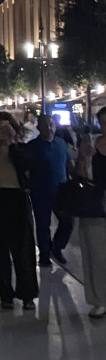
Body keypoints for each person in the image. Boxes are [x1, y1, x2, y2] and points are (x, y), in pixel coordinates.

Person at [0, 113, 38, 311]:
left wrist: (11, 143)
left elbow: (25, 165)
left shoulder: (21, 148)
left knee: (23, 248)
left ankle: (27, 294)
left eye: (7, 126)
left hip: (17, 198)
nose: (4, 130)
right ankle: (5, 294)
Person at [24, 114, 74, 267]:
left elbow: (69, 164)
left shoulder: (61, 143)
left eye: (51, 125)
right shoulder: (32, 146)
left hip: (61, 191)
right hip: (40, 192)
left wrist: (76, 181)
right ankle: (44, 256)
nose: (49, 128)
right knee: (43, 225)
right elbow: (25, 169)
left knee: (68, 221)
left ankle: (56, 247)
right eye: (45, 125)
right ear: (39, 128)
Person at [76, 108, 106, 319]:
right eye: (102, 123)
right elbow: (79, 174)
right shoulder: (91, 143)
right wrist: (83, 158)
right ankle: (99, 299)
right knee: (95, 255)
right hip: (93, 203)